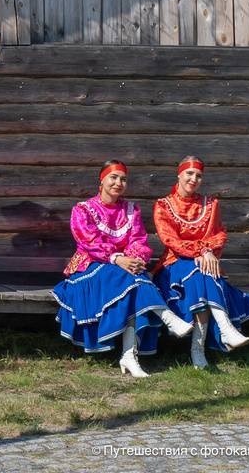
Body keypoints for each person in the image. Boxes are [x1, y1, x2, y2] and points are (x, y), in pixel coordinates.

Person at [53, 161, 193, 377]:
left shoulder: (131, 209)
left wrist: (133, 260)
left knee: (131, 281)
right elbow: (89, 241)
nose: (118, 183)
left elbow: (138, 240)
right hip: (90, 268)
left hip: (124, 269)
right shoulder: (83, 209)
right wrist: (119, 258)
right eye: (114, 177)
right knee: (129, 278)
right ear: (102, 180)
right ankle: (165, 318)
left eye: (123, 179)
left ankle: (129, 355)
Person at [151, 156, 249, 369]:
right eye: (190, 173)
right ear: (179, 174)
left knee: (201, 274)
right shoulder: (163, 206)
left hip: (202, 266)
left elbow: (219, 235)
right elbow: (171, 240)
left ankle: (200, 348)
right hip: (173, 267)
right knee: (201, 271)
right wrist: (202, 251)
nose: (194, 179)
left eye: (199, 176)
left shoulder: (210, 204)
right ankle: (221, 332)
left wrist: (206, 252)